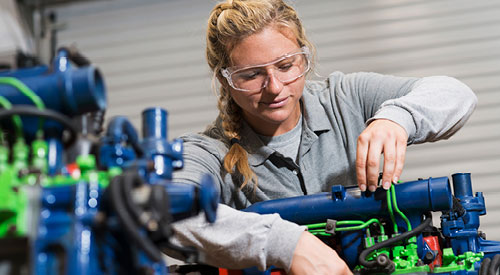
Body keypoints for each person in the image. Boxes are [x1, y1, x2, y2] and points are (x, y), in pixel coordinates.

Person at [168, 0, 477, 274]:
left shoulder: (347, 97)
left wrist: (397, 118)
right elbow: (166, 213)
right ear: (225, 79)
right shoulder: (208, 151)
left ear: (305, 57)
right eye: (251, 75)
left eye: (286, 65)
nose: (274, 87)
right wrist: (286, 243)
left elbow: (456, 94)